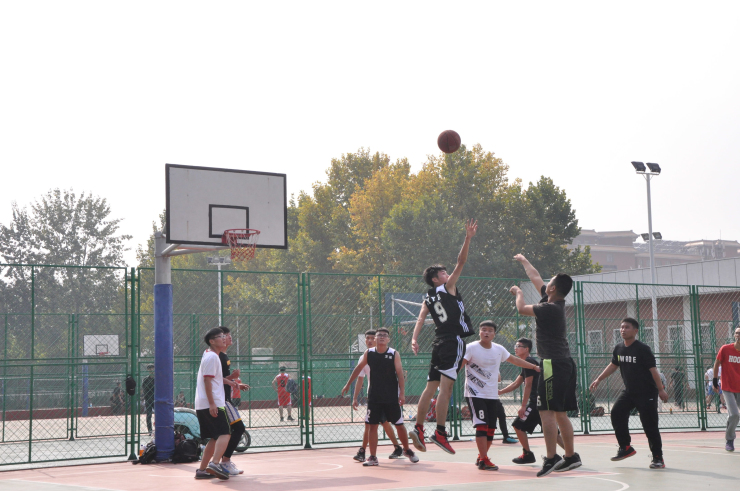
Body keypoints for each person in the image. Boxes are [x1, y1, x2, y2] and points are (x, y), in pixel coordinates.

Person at [410, 219, 478, 455]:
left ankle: (418, 428)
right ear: (436, 279)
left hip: (437, 343)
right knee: (446, 390)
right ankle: (440, 432)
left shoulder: (428, 297)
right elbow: (462, 261)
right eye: (443, 273)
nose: (448, 274)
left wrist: (414, 339)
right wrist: (468, 238)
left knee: (430, 387)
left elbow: (421, 319)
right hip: (452, 341)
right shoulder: (448, 287)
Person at [510, 254, 581, 477]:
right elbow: (535, 276)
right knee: (560, 413)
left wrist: (518, 293)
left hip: (553, 364)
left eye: (549, 282)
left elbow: (521, 308)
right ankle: (571, 456)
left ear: (553, 288)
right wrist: (524, 261)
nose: (545, 283)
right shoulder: (552, 301)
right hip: (564, 363)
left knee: (546, 413)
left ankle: (551, 458)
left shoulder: (550, 308)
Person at [589, 318, 669, 469]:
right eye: (621, 327)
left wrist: (660, 389)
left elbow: (653, 371)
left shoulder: (643, 349)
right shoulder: (619, 348)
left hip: (646, 392)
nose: (623, 330)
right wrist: (599, 379)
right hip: (629, 392)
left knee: (649, 425)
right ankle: (625, 447)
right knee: (616, 412)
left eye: (627, 327)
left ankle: (658, 458)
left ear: (635, 331)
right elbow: (613, 365)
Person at [460, 321, 540, 471]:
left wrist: (534, 367)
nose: (486, 333)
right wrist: (447, 383)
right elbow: (459, 365)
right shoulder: (471, 348)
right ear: (479, 332)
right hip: (475, 394)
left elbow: (515, 360)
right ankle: (484, 459)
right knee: (482, 426)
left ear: (494, 334)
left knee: (491, 428)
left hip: (492, 395)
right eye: (483, 330)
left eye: (490, 330)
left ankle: (482, 456)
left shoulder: (499, 349)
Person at [341, 328, 419, 466]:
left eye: (384, 335)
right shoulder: (369, 353)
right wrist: (348, 384)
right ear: (375, 338)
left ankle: (407, 450)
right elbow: (358, 369)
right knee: (372, 426)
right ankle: (372, 457)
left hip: (391, 396)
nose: (382, 337)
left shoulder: (393, 353)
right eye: (379, 335)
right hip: (374, 397)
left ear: (388, 339)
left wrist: (402, 393)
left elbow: (400, 374)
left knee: (399, 425)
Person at [499, 337, 564, 464]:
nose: (515, 348)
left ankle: (527, 454)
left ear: (526, 349)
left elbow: (528, 385)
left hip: (536, 403)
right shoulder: (528, 363)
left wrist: (523, 406)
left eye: (518, 346)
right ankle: (571, 455)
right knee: (553, 433)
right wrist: (500, 392)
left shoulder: (529, 362)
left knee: (518, 426)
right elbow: (516, 383)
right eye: (515, 346)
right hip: (542, 402)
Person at [194, 327, 232, 480]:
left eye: (224, 336)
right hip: (211, 402)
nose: (223, 338)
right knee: (225, 433)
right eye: (220, 336)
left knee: (215, 437)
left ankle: (202, 470)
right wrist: (212, 404)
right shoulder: (212, 357)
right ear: (212, 341)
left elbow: (213, 378)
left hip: (205, 403)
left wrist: (231, 382)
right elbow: (207, 380)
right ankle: (215, 464)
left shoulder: (209, 355)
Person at [218, 326, 250, 476]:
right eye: (225, 335)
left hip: (224, 398)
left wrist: (236, 383)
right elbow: (216, 379)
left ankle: (217, 462)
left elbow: (222, 379)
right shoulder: (219, 357)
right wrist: (233, 378)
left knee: (226, 432)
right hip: (222, 400)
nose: (229, 337)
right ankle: (224, 461)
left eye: (229, 334)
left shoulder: (224, 356)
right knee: (239, 428)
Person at [712, 326, 740, 452]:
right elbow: (717, 363)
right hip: (728, 387)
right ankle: (730, 439)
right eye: (737, 333)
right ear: (734, 335)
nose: (738, 335)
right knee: (734, 414)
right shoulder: (725, 349)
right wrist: (714, 380)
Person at [142, 364, 155, 435]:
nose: (151, 370)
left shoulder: (157, 378)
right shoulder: (145, 379)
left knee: (158, 415)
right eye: (149, 369)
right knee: (149, 415)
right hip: (148, 399)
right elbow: (144, 389)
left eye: (152, 368)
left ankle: (158, 429)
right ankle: (150, 430)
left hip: (156, 399)